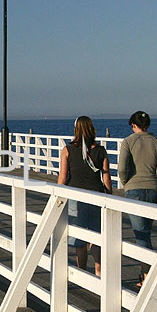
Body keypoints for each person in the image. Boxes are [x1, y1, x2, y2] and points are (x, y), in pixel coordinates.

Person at [118, 111, 157, 287]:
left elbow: (122, 168)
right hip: (154, 190)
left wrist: (127, 183)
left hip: (134, 189)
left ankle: (148, 275)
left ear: (133, 125)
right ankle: (145, 272)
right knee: (146, 233)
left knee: (141, 235)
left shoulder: (128, 142)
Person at [57, 116, 112, 277]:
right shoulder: (100, 150)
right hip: (97, 195)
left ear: (76, 130)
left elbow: (62, 177)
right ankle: (99, 271)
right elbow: (106, 178)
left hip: (75, 196)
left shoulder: (67, 150)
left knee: (79, 239)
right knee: (96, 236)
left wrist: (58, 198)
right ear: (91, 129)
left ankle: (82, 272)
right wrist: (110, 197)